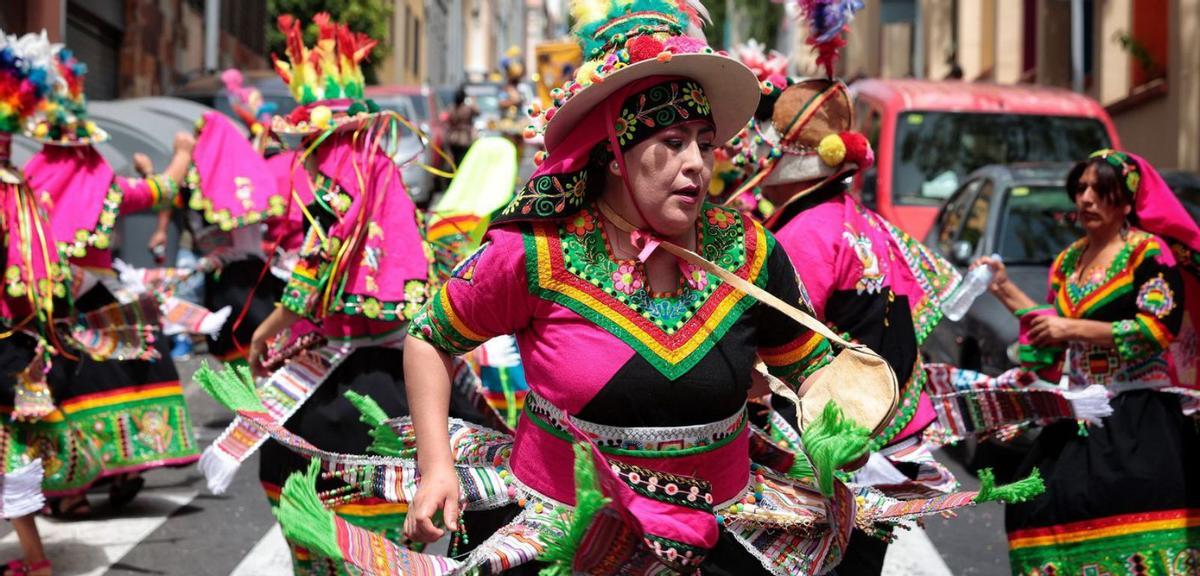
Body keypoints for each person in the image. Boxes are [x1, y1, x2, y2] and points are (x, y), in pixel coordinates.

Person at [242, 2, 1048, 575]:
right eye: (671, 142)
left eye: (705, 140)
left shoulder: (747, 248)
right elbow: (430, 334)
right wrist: (435, 468)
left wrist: (866, 417)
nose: (699, 162)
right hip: (570, 541)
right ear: (615, 155)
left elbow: (809, 366)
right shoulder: (537, 254)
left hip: (725, 538)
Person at [974, 149, 1200, 574]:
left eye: (1102, 189)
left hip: (1139, 416)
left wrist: (1071, 329)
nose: (1087, 199)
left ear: (1127, 201)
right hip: (1080, 411)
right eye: (1081, 189)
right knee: (1037, 506)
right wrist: (1004, 290)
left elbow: (1155, 331)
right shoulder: (1067, 262)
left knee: (1131, 508)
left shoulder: (1148, 254)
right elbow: (1052, 336)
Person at [21, 46, 201, 517]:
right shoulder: (103, 187)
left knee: (55, 386)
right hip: (88, 304)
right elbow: (162, 189)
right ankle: (122, 468)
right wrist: (182, 153)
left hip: (36, 306)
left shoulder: (22, 186)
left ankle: (71, 491)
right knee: (141, 357)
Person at [445, 84, 477, 169]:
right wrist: (472, 101)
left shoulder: (451, 108)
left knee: (455, 161)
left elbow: (447, 121)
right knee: (463, 161)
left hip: (453, 137)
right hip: (464, 138)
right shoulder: (467, 108)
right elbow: (477, 112)